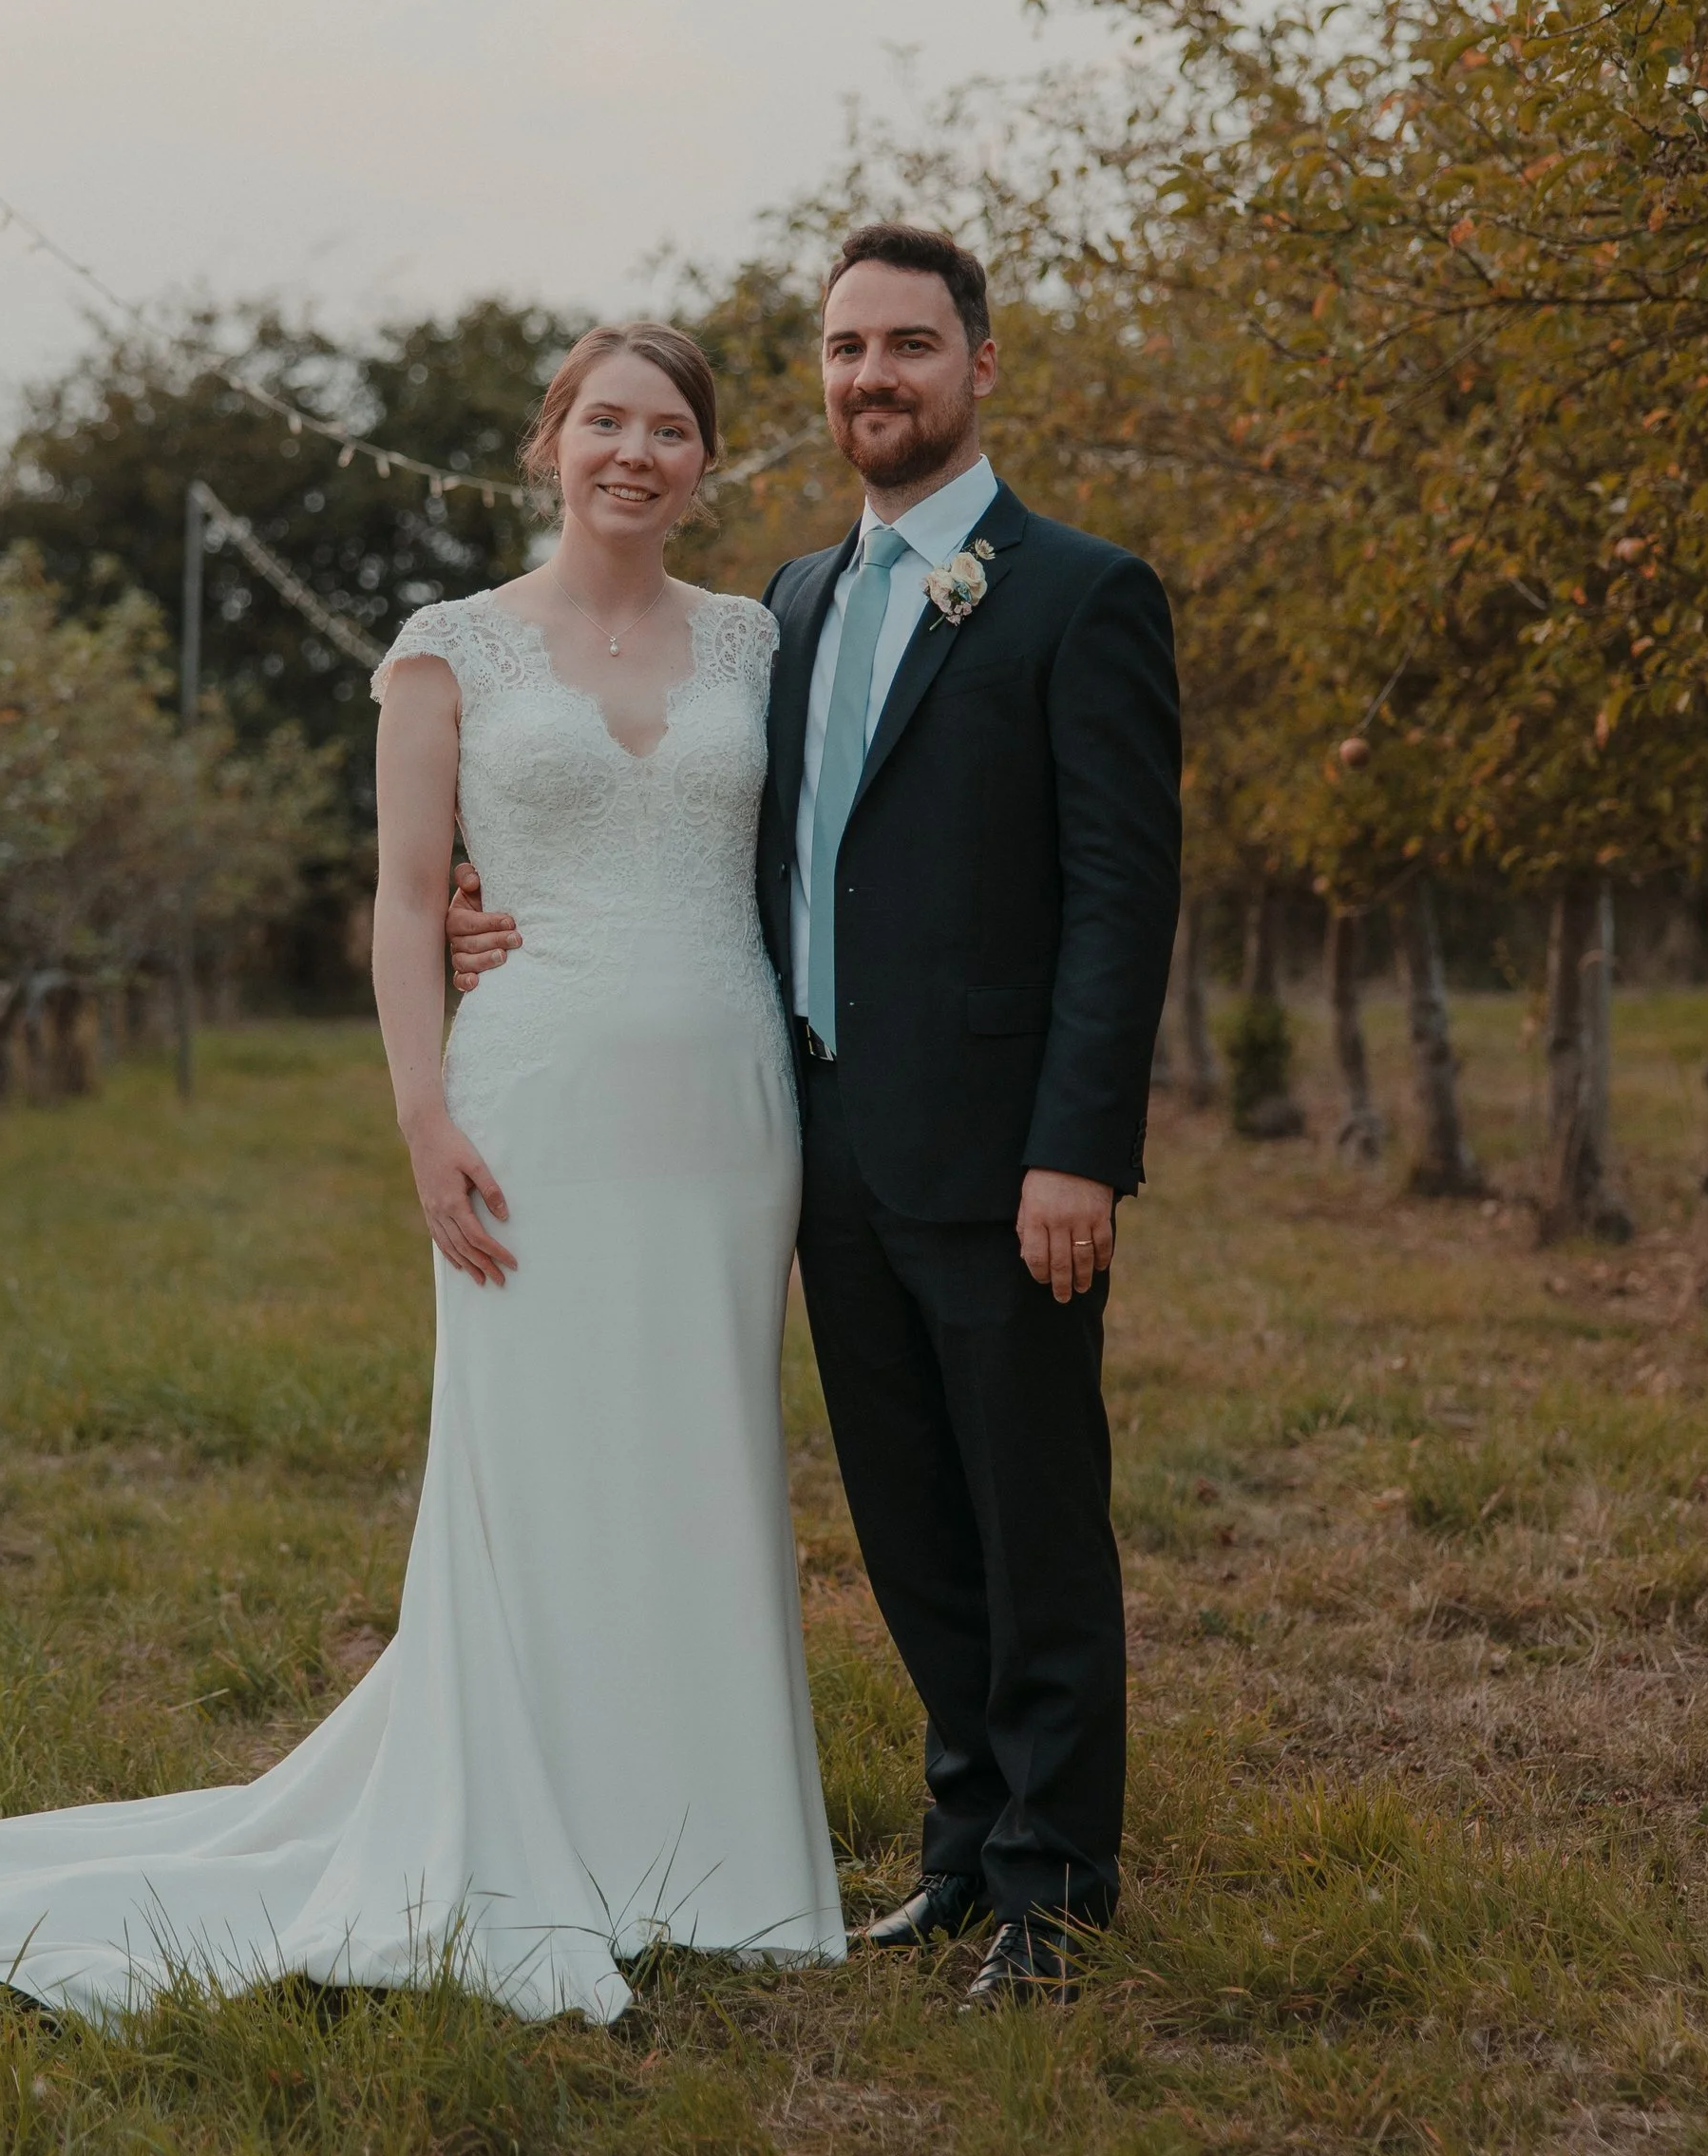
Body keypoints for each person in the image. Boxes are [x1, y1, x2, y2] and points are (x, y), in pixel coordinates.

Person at [0, 324, 843, 2029]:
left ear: (709, 458)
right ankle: (527, 1821)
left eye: (672, 428)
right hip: (532, 1108)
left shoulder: (760, 639)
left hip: (724, 1107)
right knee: (538, 1461)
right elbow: (411, 902)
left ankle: (713, 1843)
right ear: (550, 441)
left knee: (702, 1445)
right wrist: (422, 1116)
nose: (636, 452)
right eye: (605, 421)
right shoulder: (455, 648)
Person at [454, 225, 1180, 2006]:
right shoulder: (782, 604)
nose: (876, 377)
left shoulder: (1082, 595)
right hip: (811, 1142)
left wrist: (1076, 1144)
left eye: (911, 346)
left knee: (1030, 1508)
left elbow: (1119, 894)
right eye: (849, 349)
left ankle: (1055, 1886)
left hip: (1008, 1151)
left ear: (980, 366)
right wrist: (491, 905)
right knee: (909, 1514)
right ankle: (957, 1851)